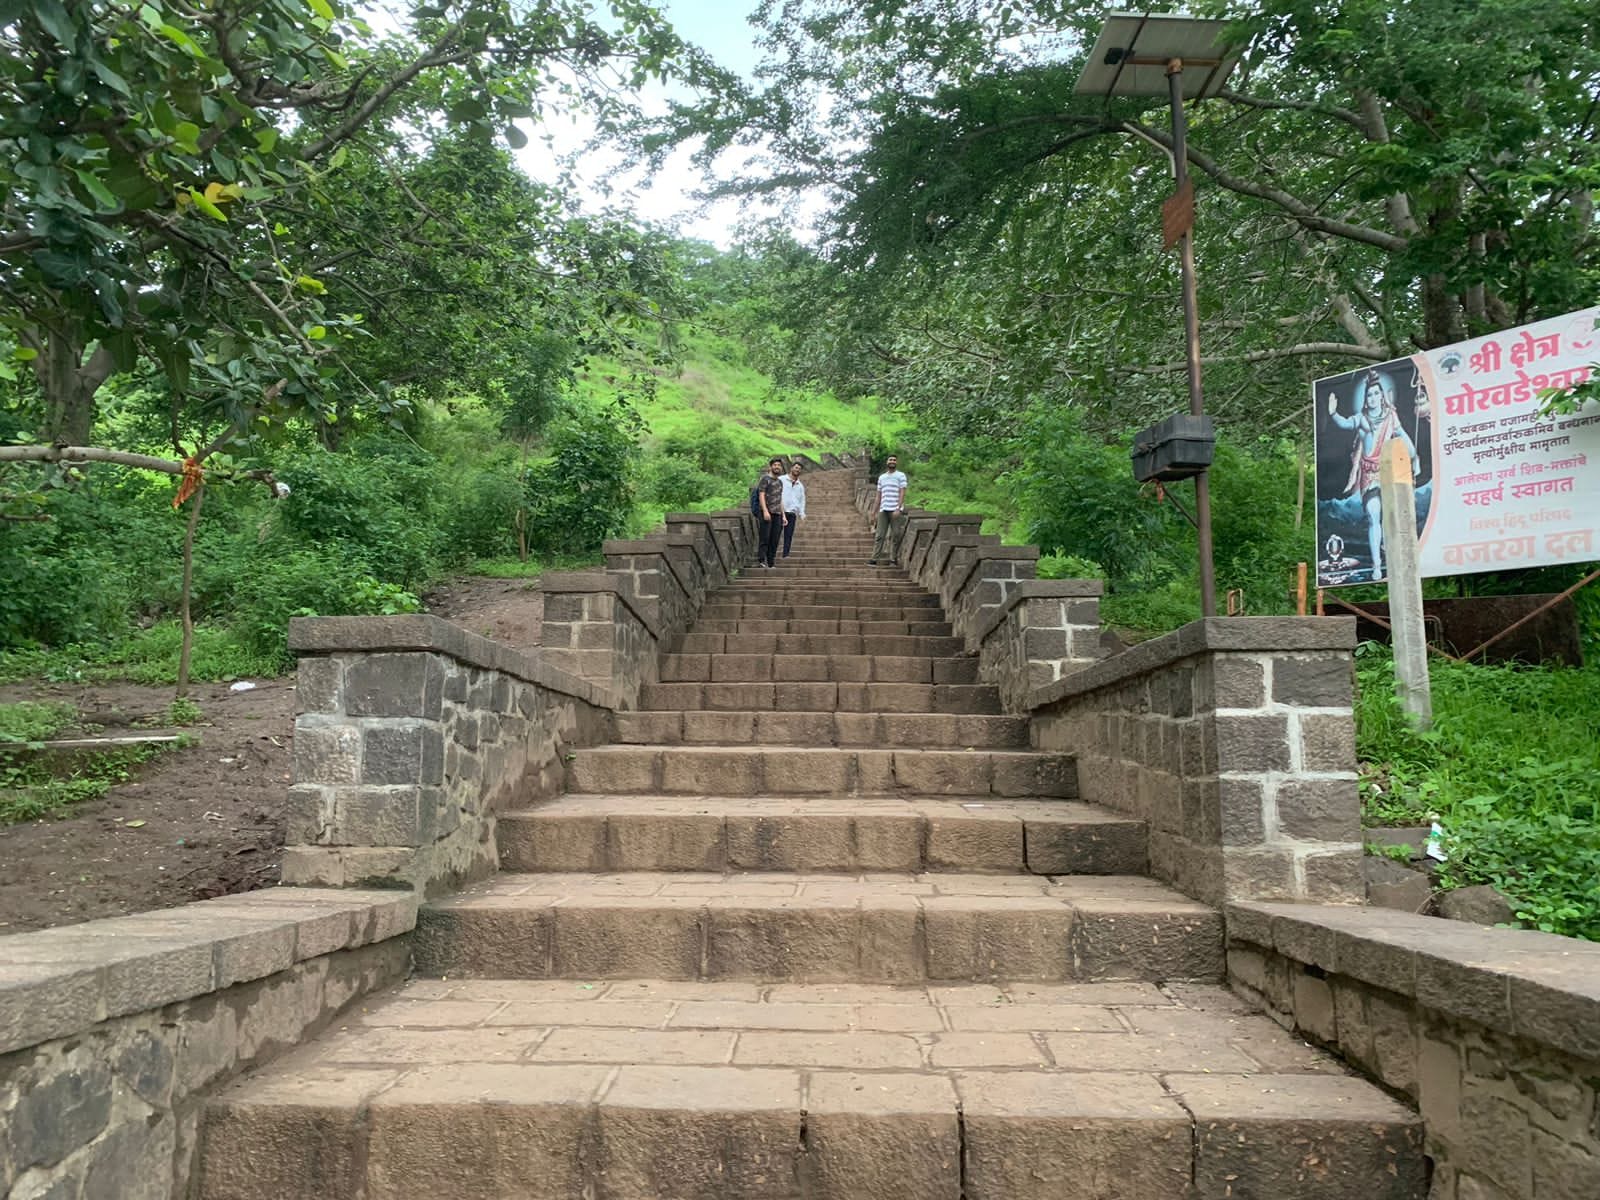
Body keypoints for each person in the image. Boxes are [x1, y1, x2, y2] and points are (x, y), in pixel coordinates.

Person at [1327, 368, 1419, 581]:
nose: (1373, 397)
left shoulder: (1391, 416)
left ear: (1382, 395)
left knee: (1393, 517)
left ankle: (1397, 560)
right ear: (1365, 399)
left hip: (1388, 473)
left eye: (1377, 393)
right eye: (1369, 394)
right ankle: (1377, 565)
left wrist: (1411, 453)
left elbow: (1404, 437)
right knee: (1373, 515)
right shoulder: (1361, 418)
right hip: (1369, 475)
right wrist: (1333, 413)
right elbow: (1345, 423)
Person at [868, 453, 908, 565]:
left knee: (895, 534)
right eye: (890, 459)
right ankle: (874, 559)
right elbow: (878, 496)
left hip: (895, 510)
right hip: (883, 509)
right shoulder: (882, 477)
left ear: (896, 462)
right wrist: (873, 512)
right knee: (880, 535)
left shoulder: (901, 476)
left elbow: (902, 493)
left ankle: (893, 559)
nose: (892, 461)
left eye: (894, 460)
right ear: (887, 462)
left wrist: (898, 508)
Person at [753, 456, 786, 568]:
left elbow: (780, 499)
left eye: (779, 465)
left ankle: (771, 562)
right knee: (765, 537)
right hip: (766, 513)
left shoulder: (780, 482)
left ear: (781, 468)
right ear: (771, 467)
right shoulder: (765, 479)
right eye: (775, 465)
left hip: (777, 514)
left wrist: (784, 515)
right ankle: (761, 560)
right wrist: (765, 511)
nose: (777, 467)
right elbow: (761, 495)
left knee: (775, 539)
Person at [780, 461, 806, 557]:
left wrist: (801, 513)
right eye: (796, 467)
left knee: (789, 535)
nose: (797, 470)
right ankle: (771, 554)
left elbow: (802, 499)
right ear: (791, 468)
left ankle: (785, 554)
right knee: (776, 533)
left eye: (799, 469)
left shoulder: (800, 485)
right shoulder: (781, 479)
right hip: (780, 511)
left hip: (792, 513)